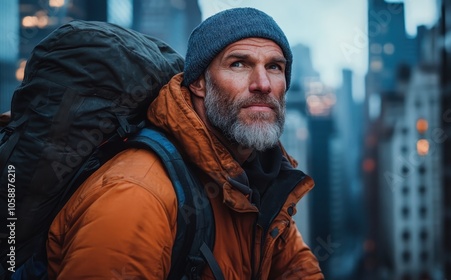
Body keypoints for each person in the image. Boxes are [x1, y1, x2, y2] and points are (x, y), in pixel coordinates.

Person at [47, 7, 324, 279]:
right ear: (198, 83)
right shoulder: (136, 194)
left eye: (274, 67)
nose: (262, 83)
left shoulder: (262, 182)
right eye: (238, 64)